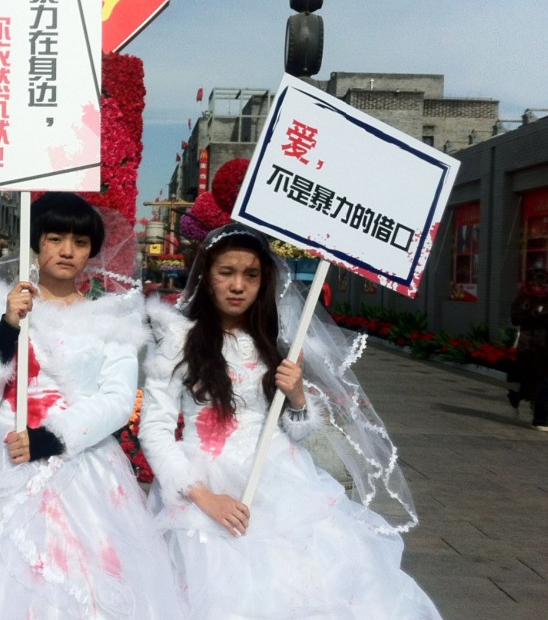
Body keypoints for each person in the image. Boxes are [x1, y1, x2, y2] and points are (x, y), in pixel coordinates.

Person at [140, 223, 442, 619]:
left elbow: (298, 429)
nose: (237, 285)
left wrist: (298, 397)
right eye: (226, 272)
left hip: (280, 476)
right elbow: (155, 431)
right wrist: (205, 499)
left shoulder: (277, 342)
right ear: (206, 275)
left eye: (250, 275)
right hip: (204, 483)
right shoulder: (179, 340)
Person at [0, 192, 182, 619]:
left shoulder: (111, 316)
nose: (66, 251)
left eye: (79, 243)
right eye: (55, 238)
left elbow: (116, 401)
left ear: (92, 250)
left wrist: (50, 439)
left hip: (82, 463)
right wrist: (6, 328)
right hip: (6, 459)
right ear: (36, 242)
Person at [507, 275, 548, 429]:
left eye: (543, 284)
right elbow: (516, 319)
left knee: (542, 383)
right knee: (535, 383)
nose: (540, 287)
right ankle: (540, 417)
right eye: (537, 284)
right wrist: (534, 314)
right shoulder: (523, 299)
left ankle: (540, 416)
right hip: (530, 348)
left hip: (545, 348)